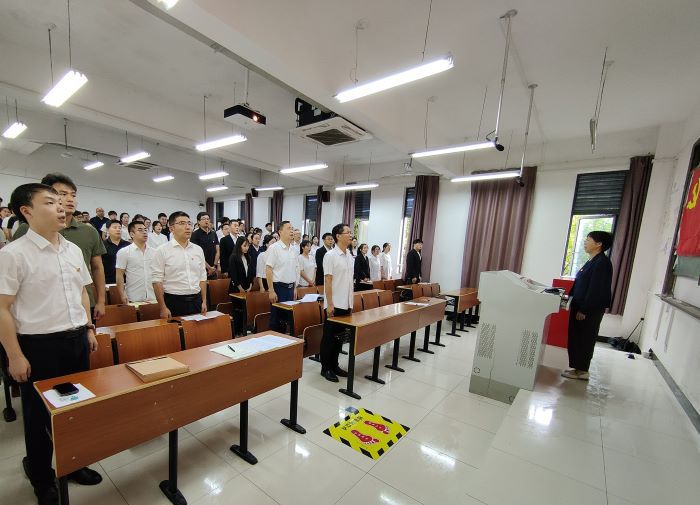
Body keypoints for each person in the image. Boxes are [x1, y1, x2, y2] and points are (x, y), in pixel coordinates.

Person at [0, 183, 102, 505]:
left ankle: (73, 464)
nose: (61, 206)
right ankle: (42, 477)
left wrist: (88, 328)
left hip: (76, 340)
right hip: (38, 346)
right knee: (39, 417)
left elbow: (82, 292)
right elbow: (2, 308)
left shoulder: (71, 249)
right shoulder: (13, 254)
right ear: (26, 211)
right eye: (50, 202)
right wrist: (14, 355)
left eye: (62, 201)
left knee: (75, 409)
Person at [12, 173, 107, 321]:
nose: (70, 199)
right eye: (62, 194)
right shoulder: (26, 229)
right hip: (42, 309)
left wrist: (101, 301)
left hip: (82, 303)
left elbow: (97, 267)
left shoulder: (89, 231)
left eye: (73, 195)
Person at [562, 231, 614, 381]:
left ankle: (582, 371)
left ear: (599, 244)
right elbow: (580, 283)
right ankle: (577, 368)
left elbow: (596, 289)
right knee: (577, 337)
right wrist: (568, 298)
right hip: (579, 306)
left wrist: (584, 309)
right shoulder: (592, 261)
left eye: (588, 239)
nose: (585, 242)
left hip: (588, 310)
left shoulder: (602, 263)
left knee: (584, 339)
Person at [151, 211, 208, 318]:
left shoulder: (198, 249)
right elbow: (156, 281)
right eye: (182, 223)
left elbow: (202, 277)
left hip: (196, 301)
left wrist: (204, 301)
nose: (188, 227)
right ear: (171, 228)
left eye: (189, 223)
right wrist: (163, 307)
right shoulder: (162, 250)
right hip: (174, 301)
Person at [319, 223, 354, 382]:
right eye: (347, 232)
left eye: (350, 232)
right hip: (334, 304)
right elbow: (328, 281)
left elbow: (349, 282)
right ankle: (325, 368)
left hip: (346, 303)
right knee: (329, 338)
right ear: (338, 236)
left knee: (340, 338)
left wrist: (351, 303)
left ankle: (335, 365)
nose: (350, 235)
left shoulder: (349, 255)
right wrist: (330, 304)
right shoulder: (330, 255)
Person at [265, 221, 299, 332]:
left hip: (290, 288)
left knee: (287, 320)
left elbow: (295, 269)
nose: (292, 231)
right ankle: (273, 341)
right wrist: (271, 290)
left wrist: (295, 288)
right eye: (289, 228)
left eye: (292, 228)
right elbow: (268, 269)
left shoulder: (294, 249)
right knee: (276, 320)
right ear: (280, 232)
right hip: (278, 288)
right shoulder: (274, 248)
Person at [115, 221, 157, 304]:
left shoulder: (155, 252)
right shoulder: (124, 252)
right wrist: (122, 294)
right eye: (140, 230)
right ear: (132, 234)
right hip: (133, 297)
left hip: (154, 296)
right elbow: (119, 274)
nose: (144, 232)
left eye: (145, 230)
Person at [190, 212, 220, 279]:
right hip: (201, 268)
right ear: (198, 221)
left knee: (214, 285)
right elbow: (196, 253)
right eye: (203, 219)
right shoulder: (195, 234)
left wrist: (214, 266)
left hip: (213, 268)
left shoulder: (213, 233)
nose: (206, 220)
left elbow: (218, 250)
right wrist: (208, 267)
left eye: (207, 219)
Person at [102, 220, 130, 285]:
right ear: (107, 230)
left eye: (120, 228)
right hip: (108, 282)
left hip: (127, 281)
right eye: (115, 227)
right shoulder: (102, 245)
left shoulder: (128, 245)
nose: (118, 229)